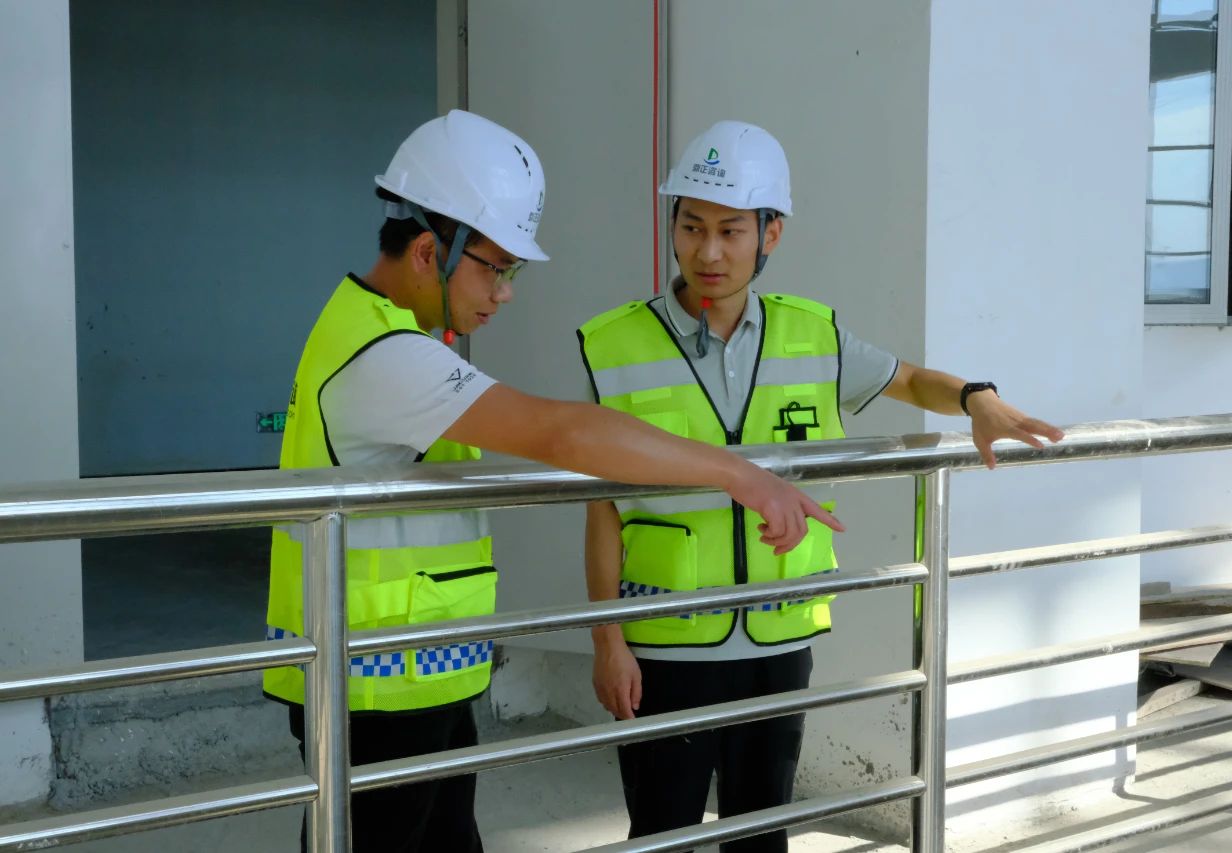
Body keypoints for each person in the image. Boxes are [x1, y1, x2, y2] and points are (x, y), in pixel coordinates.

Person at [261, 110, 842, 853]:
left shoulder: (377, 330)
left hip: (409, 673)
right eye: (496, 268)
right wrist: (738, 472)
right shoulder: (387, 359)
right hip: (374, 687)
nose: (504, 293)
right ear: (428, 251)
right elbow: (564, 432)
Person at [577, 120, 1064, 852]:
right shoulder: (613, 345)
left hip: (778, 640)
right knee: (659, 834)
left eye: (731, 231)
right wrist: (607, 641)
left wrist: (976, 397)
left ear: (770, 234)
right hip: (665, 646)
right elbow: (601, 508)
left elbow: (908, 379)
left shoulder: (813, 336)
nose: (708, 252)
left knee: (762, 830)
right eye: (692, 226)